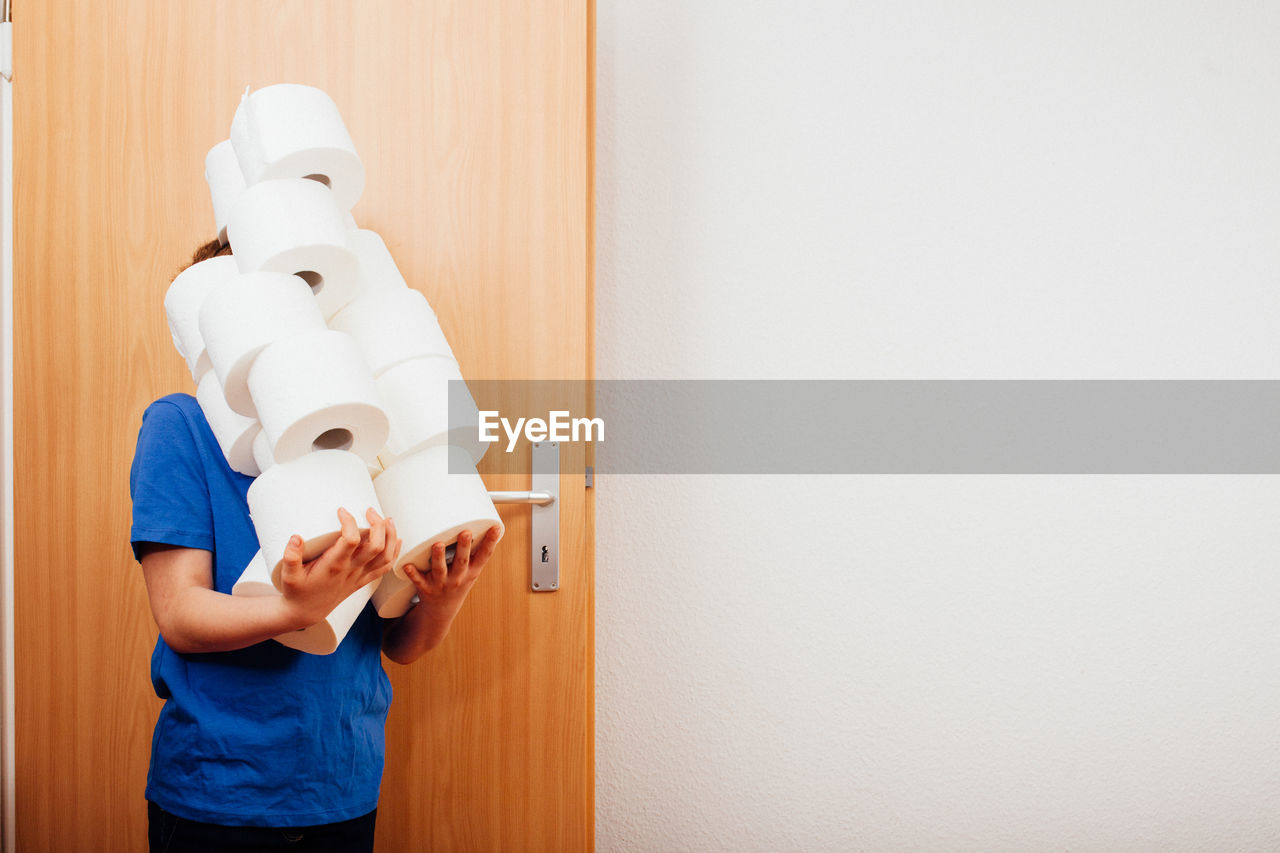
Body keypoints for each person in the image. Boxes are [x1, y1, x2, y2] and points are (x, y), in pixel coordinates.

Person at [131, 238, 502, 852]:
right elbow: (179, 616)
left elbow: (400, 645)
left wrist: (443, 597)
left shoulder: (365, 430)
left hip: (342, 781)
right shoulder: (181, 426)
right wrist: (294, 610)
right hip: (220, 786)